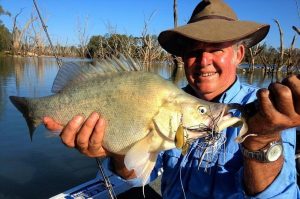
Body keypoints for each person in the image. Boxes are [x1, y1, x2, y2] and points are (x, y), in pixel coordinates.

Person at [44, 0, 300, 198]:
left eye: (216, 49)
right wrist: (117, 152)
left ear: (239, 54)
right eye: (194, 51)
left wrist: (262, 141)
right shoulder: (174, 100)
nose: (204, 61)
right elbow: (140, 177)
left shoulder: (267, 114)